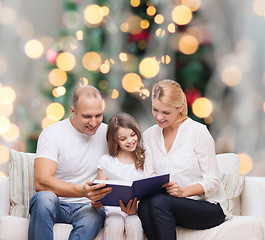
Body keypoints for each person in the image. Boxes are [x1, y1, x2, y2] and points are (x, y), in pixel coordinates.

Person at [138, 79, 229, 240]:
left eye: (166, 112)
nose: (159, 117)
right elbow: (150, 175)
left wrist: (182, 191)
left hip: (207, 206)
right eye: (155, 109)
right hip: (168, 205)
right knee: (145, 205)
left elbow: (213, 181)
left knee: (159, 202)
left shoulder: (198, 132)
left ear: (180, 108)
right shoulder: (149, 135)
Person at [28, 85, 112, 240]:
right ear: (73, 111)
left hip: (89, 207)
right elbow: (41, 182)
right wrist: (82, 190)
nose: (93, 123)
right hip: (57, 204)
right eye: (87, 117)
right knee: (44, 198)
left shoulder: (108, 134)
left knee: (95, 214)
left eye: (98, 115)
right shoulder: (53, 133)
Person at [93, 113, 145, 240]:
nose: (130, 141)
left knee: (134, 223)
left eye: (133, 135)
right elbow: (99, 192)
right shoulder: (106, 161)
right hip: (112, 211)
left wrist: (137, 206)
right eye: (123, 139)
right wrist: (95, 201)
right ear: (115, 140)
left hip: (136, 211)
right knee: (115, 222)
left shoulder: (145, 158)